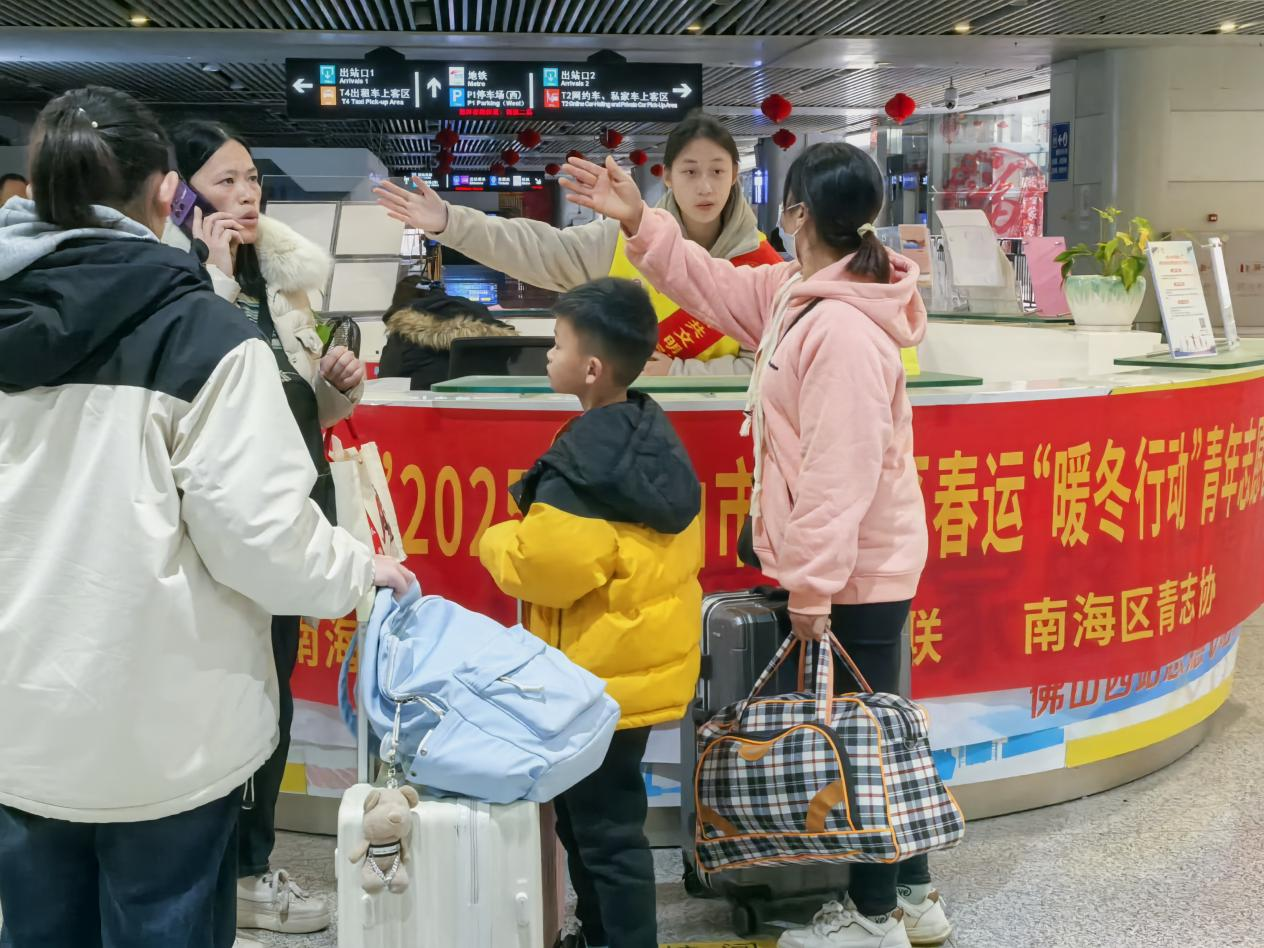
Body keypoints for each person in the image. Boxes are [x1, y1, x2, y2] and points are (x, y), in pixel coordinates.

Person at [0, 85, 413, 948]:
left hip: (22, 724)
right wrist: (354, 568)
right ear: (166, 194)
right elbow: (259, 536)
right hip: (166, 734)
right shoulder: (208, 336)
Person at [558, 147, 949, 948]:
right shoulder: (801, 294)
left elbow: (839, 472)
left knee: (859, 740)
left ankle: (874, 917)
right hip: (853, 564)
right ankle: (909, 896)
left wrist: (814, 587)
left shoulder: (840, 328)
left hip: (858, 570)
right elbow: (713, 284)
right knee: (868, 728)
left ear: (798, 214)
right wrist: (638, 221)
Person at [162, 119, 365, 937]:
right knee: (225, 702)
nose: (246, 196)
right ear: (178, 195)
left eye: (252, 179)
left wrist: (338, 383)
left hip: (287, 514)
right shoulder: (169, 282)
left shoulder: (285, 280)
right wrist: (210, 279)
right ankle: (222, 871)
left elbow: (300, 408)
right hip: (208, 532)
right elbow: (191, 392)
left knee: (270, 697)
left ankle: (247, 864)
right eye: (224, 182)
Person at [478, 277, 704, 948]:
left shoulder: (584, 463)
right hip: (629, 674)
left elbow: (545, 570)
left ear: (592, 368)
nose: (548, 354)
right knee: (590, 822)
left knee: (604, 832)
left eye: (557, 343)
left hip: (594, 678)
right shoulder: (647, 432)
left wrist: (495, 538)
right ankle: (598, 933)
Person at [374, 111, 782, 377]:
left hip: (727, 437)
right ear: (669, 177)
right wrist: (449, 222)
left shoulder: (762, 265)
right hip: (630, 426)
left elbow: (771, 366)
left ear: (735, 176)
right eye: (690, 172)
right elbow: (534, 248)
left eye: (717, 171)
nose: (705, 187)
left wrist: (677, 373)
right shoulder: (621, 240)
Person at [378, 277, 519, 390]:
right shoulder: (483, 318)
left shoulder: (405, 333)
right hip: (494, 409)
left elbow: (386, 384)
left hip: (428, 412)